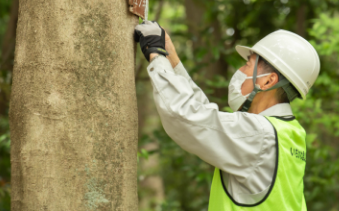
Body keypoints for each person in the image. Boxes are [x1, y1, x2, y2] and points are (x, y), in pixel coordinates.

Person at [134, 20, 320, 210]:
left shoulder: (260, 134)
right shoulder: (289, 133)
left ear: (267, 81)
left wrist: (156, 55)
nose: (240, 71)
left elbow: (185, 115)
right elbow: (206, 119)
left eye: (248, 65)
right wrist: (171, 57)